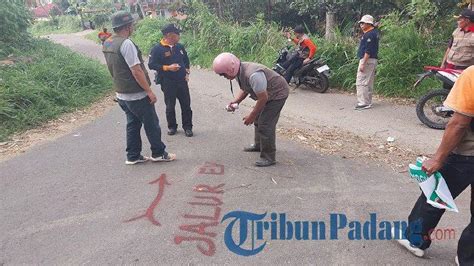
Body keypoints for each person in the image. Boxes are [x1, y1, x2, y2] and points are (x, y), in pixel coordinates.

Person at [395, 66, 474, 265]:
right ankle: (468, 258)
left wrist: (438, 158)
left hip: (466, 154)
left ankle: (415, 240)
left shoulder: (472, 75)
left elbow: (458, 123)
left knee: (435, 195)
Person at [102, 11, 176, 165]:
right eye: (132, 25)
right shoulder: (126, 43)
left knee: (133, 124)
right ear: (128, 26)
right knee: (151, 123)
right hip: (136, 94)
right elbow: (136, 70)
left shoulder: (108, 42)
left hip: (122, 94)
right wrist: (149, 91)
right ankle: (158, 153)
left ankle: (133, 155)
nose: (133, 27)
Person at [212, 52, 289, 167]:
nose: (224, 77)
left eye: (223, 74)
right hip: (267, 94)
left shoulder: (253, 75)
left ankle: (269, 157)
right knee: (259, 120)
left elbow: (263, 98)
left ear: (230, 69)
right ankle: (259, 145)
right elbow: (246, 88)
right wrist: (236, 101)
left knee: (265, 124)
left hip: (277, 93)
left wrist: (251, 116)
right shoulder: (239, 71)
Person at [148, 24, 193, 137]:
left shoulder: (179, 47)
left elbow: (186, 60)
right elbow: (151, 64)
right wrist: (167, 68)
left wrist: (187, 73)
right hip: (168, 82)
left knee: (186, 105)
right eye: (177, 34)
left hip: (182, 81)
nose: (179, 36)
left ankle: (188, 127)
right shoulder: (157, 49)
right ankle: (172, 127)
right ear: (169, 35)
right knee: (170, 105)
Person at [355, 15, 379, 110]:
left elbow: (368, 50)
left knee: (361, 81)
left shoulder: (369, 35)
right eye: (361, 23)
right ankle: (367, 101)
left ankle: (363, 102)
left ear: (369, 24)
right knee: (368, 82)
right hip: (371, 60)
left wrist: (363, 63)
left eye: (363, 23)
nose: (361, 25)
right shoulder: (374, 33)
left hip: (367, 60)